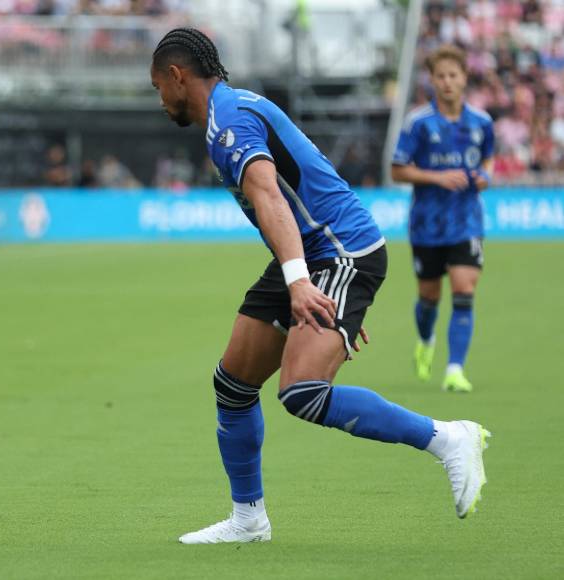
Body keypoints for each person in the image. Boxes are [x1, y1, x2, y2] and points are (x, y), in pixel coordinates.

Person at [149, 28, 490, 544]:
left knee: (302, 392)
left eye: (158, 87)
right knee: (234, 385)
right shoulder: (235, 108)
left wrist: (303, 283)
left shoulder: (229, 123)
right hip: (313, 255)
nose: (160, 100)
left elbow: (271, 200)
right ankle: (248, 521)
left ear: (178, 76)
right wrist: (328, 300)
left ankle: (448, 438)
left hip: (337, 252)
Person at [391, 44, 493, 393]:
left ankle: (454, 369)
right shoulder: (419, 123)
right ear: (432, 81)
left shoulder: (482, 122)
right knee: (429, 297)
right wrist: (438, 177)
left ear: (464, 78)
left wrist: (485, 176)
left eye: (453, 75)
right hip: (427, 224)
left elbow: (489, 160)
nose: (447, 82)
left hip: (467, 220)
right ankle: (425, 340)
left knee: (464, 289)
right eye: (441, 76)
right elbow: (397, 170)